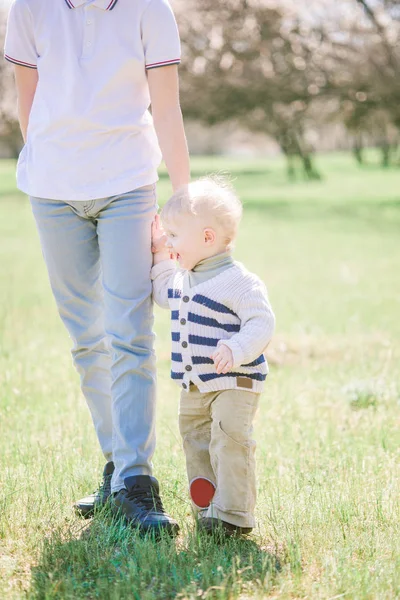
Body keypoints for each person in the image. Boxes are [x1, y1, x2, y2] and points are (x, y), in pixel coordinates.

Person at [4, 0, 190, 536]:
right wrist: (53, 166)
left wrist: (181, 200)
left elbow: (167, 106)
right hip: (53, 192)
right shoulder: (29, 9)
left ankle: (136, 478)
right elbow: (27, 99)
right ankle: (116, 465)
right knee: (86, 337)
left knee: (129, 331)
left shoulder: (148, 9)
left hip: (127, 184)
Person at [151, 177, 275, 536]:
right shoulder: (183, 278)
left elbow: (262, 322)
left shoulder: (240, 282)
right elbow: (161, 291)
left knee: (229, 439)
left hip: (235, 382)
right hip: (193, 386)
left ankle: (234, 514)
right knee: (196, 442)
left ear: (207, 238)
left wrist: (236, 348)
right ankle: (208, 509)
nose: (170, 244)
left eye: (175, 236)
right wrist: (160, 252)